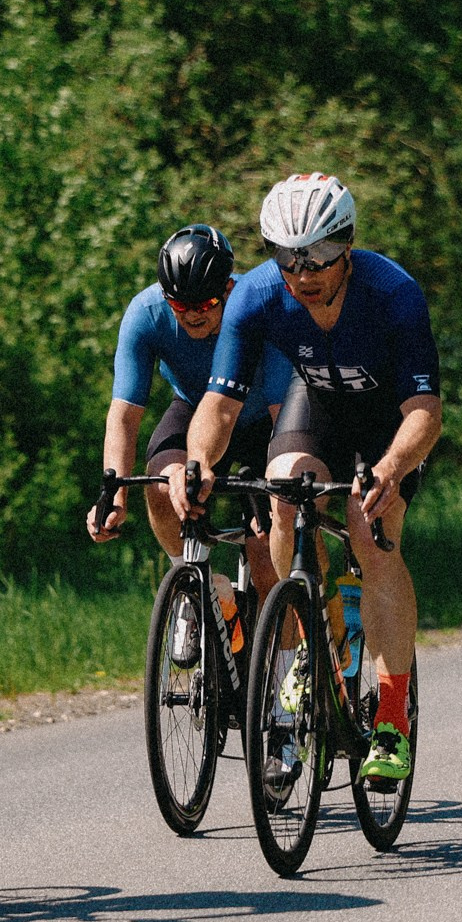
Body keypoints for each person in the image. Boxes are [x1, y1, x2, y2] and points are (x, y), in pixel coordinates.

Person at [184, 174, 442, 784]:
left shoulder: (392, 292)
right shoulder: (256, 294)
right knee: (282, 494)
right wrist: (199, 462)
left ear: (347, 243)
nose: (303, 273)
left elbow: (426, 413)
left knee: (369, 530)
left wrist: (389, 468)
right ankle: (314, 642)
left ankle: (392, 717)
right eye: (287, 255)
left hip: (389, 426)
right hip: (318, 407)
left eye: (320, 254)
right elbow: (219, 405)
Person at [89, 225, 289, 635]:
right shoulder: (146, 313)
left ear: (228, 288)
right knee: (163, 485)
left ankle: (285, 657)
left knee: (265, 556)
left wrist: (276, 489)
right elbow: (124, 415)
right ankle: (195, 588)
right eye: (180, 305)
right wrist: (115, 494)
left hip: (262, 421)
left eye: (206, 303)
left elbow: (281, 411)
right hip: (193, 408)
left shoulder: (255, 308)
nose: (193, 314)